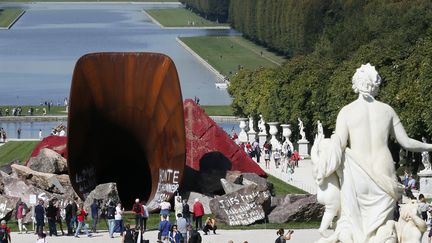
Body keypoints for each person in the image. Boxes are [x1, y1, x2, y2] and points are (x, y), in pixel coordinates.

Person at [311, 63, 432, 242]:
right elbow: (406, 142)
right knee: (384, 228)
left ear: (356, 84)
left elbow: (338, 146)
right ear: (376, 84)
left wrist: (322, 166)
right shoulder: (387, 110)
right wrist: (430, 146)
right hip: (385, 174)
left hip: (357, 174)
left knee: (354, 226)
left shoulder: (346, 112)